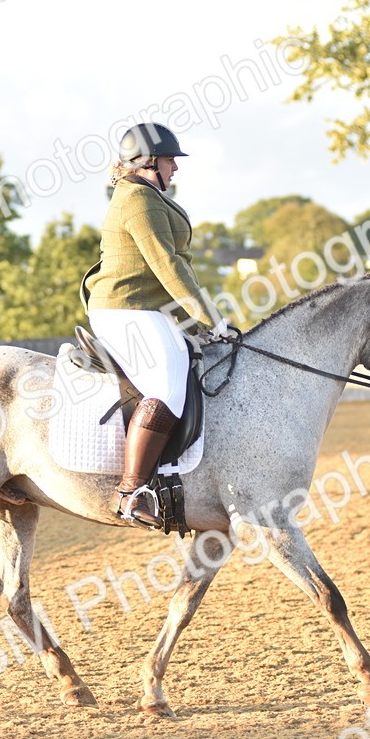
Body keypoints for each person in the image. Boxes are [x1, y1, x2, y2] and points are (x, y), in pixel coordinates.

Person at [80, 123, 227, 527]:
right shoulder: (138, 201)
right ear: (148, 162)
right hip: (125, 308)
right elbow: (168, 265)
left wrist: (199, 320)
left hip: (147, 308)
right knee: (166, 385)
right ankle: (130, 492)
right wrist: (211, 318)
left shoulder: (146, 195)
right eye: (169, 160)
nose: (175, 167)